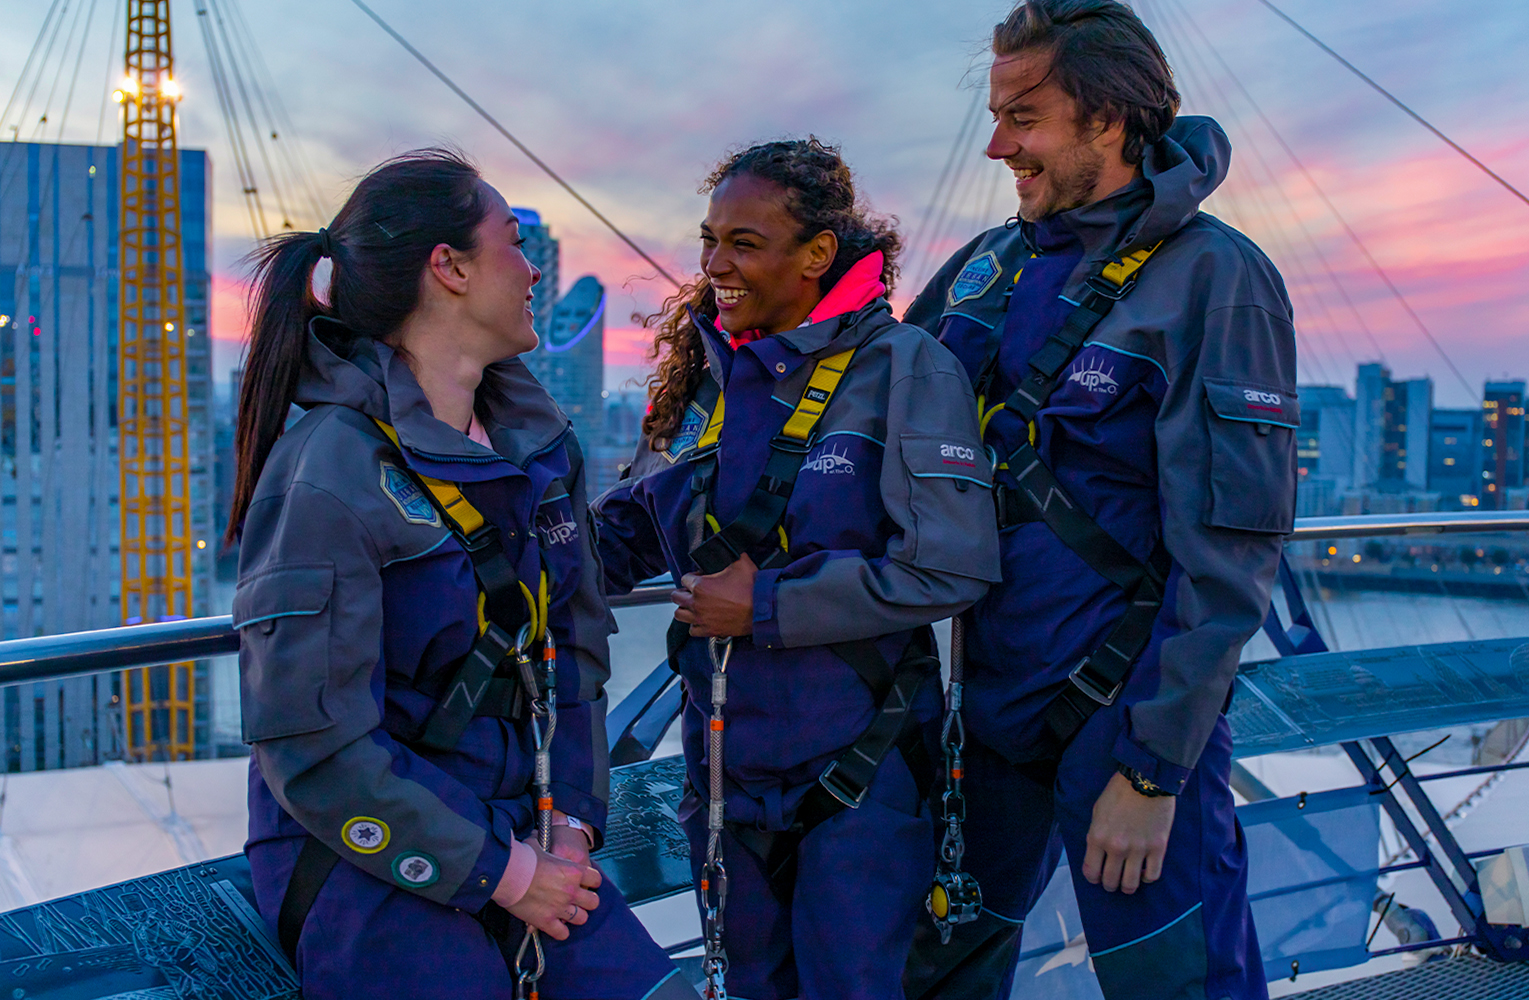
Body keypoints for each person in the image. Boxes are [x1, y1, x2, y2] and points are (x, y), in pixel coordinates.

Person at [229, 149, 696, 1000]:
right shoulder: (331, 469)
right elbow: (313, 745)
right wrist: (503, 873)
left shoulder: (537, 446)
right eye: (512, 243)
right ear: (448, 268)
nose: (530, 270)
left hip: (530, 830)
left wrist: (574, 827)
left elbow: (578, 655)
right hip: (366, 853)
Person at [901, 3, 1296, 999]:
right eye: (997, 116)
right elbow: (863, 416)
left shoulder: (1215, 279)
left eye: (1024, 116)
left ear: (1109, 117)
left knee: (1175, 985)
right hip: (983, 723)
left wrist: (1154, 770)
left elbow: (1232, 551)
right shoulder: (982, 272)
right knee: (937, 978)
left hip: (1122, 727)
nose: (998, 146)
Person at [593, 138, 1001, 1000]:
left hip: (860, 774)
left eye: (743, 242)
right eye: (708, 241)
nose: (714, 265)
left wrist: (766, 606)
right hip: (724, 782)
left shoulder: (904, 370)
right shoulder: (704, 379)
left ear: (819, 253)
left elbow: (952, 571)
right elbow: (629, 532)